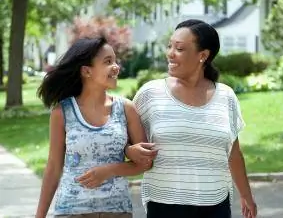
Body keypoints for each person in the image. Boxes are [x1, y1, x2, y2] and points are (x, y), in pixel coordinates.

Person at [125, 19, 257, 218]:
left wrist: (246, 196)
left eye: (179, 48)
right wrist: (129, 150)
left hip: (215, 205)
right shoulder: (150, 93)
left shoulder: (226, 96)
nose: (170, 53)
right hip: (164, 205)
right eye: (169, 46)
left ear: (203, 55)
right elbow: (121, 139)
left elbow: (233, 153)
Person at [35, 36, 157, 218]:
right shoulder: (63, 112)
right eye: (108, 62)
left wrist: (110, 170)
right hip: (72, 211)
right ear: (86, 71)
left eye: (116, 61)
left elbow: (146, 163)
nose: (116, 67)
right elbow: (53, 167)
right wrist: (40, 215)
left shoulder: (126, 109)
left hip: (117, 211)